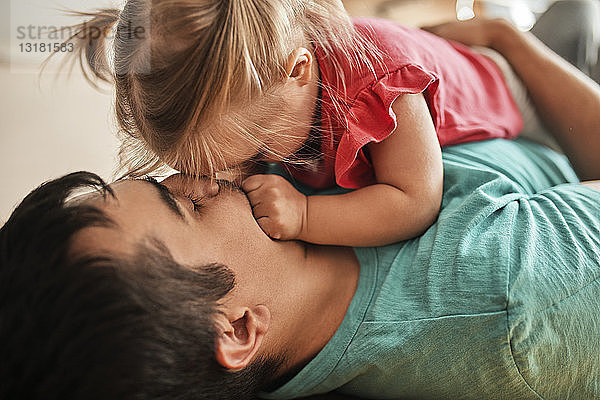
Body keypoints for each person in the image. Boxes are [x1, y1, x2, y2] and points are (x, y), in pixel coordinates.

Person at [3, 6, 600, 398]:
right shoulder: (515, 296)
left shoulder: (270, 210)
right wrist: (511, 45)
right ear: (239, 327)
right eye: (183, 204)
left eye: (169, 177)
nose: (205, 178)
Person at [59, 0, 528, 248]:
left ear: (298, 72)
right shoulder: (271, 94)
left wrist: (306, 216)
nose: (237, 174)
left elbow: (414, 200)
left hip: (504, 86)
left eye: (251, 152)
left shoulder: (381, 81)